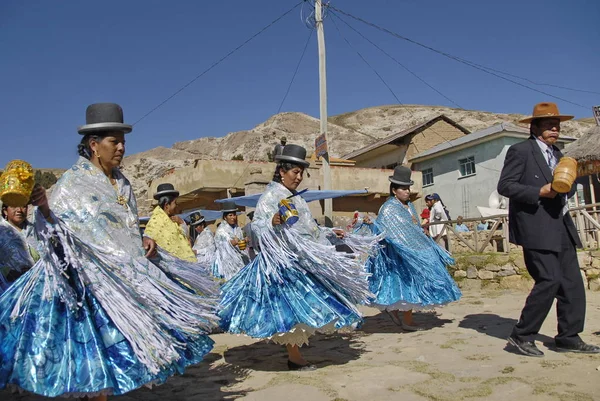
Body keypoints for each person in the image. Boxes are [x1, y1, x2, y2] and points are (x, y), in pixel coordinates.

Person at [0, 103, 219, 399]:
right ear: (94, 145)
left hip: (129, 281)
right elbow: (52, 236)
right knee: (96, 364)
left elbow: (125, 227)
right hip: (93, 288)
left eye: (123, 141)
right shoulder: (70, 186)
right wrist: (47, 211)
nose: (121, 147)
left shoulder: (123, 184)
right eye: (114, 141)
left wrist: (142, 241)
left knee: (118, 361)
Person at [218, 144, 377, 371]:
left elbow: (308, 229)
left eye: (302, 172)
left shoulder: (296, 198)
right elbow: (256, 227)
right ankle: (294, 357)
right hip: (284, 264)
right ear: (282, 171)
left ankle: (296, 353)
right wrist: (272, 222)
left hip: (301, 260)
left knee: (306, 305)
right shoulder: (270, 197)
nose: (299, 177)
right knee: (290, 309)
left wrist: (330, 233)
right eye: (295, 172)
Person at [498, 102, 599, 357]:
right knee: (549, 279)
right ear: (534, 128)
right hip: (536, 227)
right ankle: (521, 335)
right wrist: (538, 192)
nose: (554, 129)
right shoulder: (520, 151)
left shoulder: (560, 154)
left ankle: (568, 336)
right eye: (548, 125)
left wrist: (567, 184)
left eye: (557, 125)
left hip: (561, 225)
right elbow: (506, 186)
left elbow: (566, 187)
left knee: (573, 284)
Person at [365, 166, 461, 330]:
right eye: (403, 188)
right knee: (406, 284)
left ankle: (396, 313)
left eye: (408, 188)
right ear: (394, 190)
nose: (407, 191)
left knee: (410, 284)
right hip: (398, 254)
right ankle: (407, 320)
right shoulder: (389, 208)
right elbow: (385, 229)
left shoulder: (408, 205)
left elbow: (411, 228)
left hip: (414, 250)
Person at [0, 185, 46, 293]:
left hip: (38, 289)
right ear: (5, 211)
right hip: (10, 293)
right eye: (14, 206)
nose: (19, 210)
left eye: (23, 206)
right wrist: (8, 273)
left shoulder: (36, 230)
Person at [144, 183, 196, 262]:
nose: (176, 206)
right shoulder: (156, 221)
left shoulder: (172, 220)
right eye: (175, 203)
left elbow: (184, 237)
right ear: (166, 205)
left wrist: (181, 222)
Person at [213, 200, 249, 280]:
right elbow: (220, 245)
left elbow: (241, 241)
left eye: (234, 215)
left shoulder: (238, 228)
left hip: (241, 262)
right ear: (225, 217)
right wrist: (231, 243)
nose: (233, 217)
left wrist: (245, 241)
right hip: (229, 264)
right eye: (230, 215)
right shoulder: (221, 231)